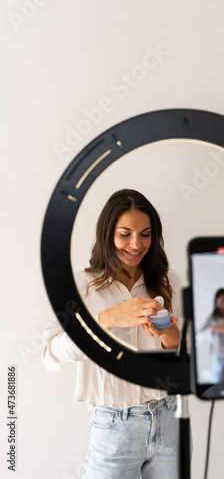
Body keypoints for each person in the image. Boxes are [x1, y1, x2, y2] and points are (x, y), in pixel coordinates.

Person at [42, 188, 183, 479]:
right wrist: (106, 319)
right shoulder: (79, 287)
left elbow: (182, 355)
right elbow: (50, 357)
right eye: (125, 233)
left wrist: (169, 332)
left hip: (169, 419)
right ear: (107, 234)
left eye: (145, 234)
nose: (136, 244)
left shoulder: (167, 283)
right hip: (114, 427)